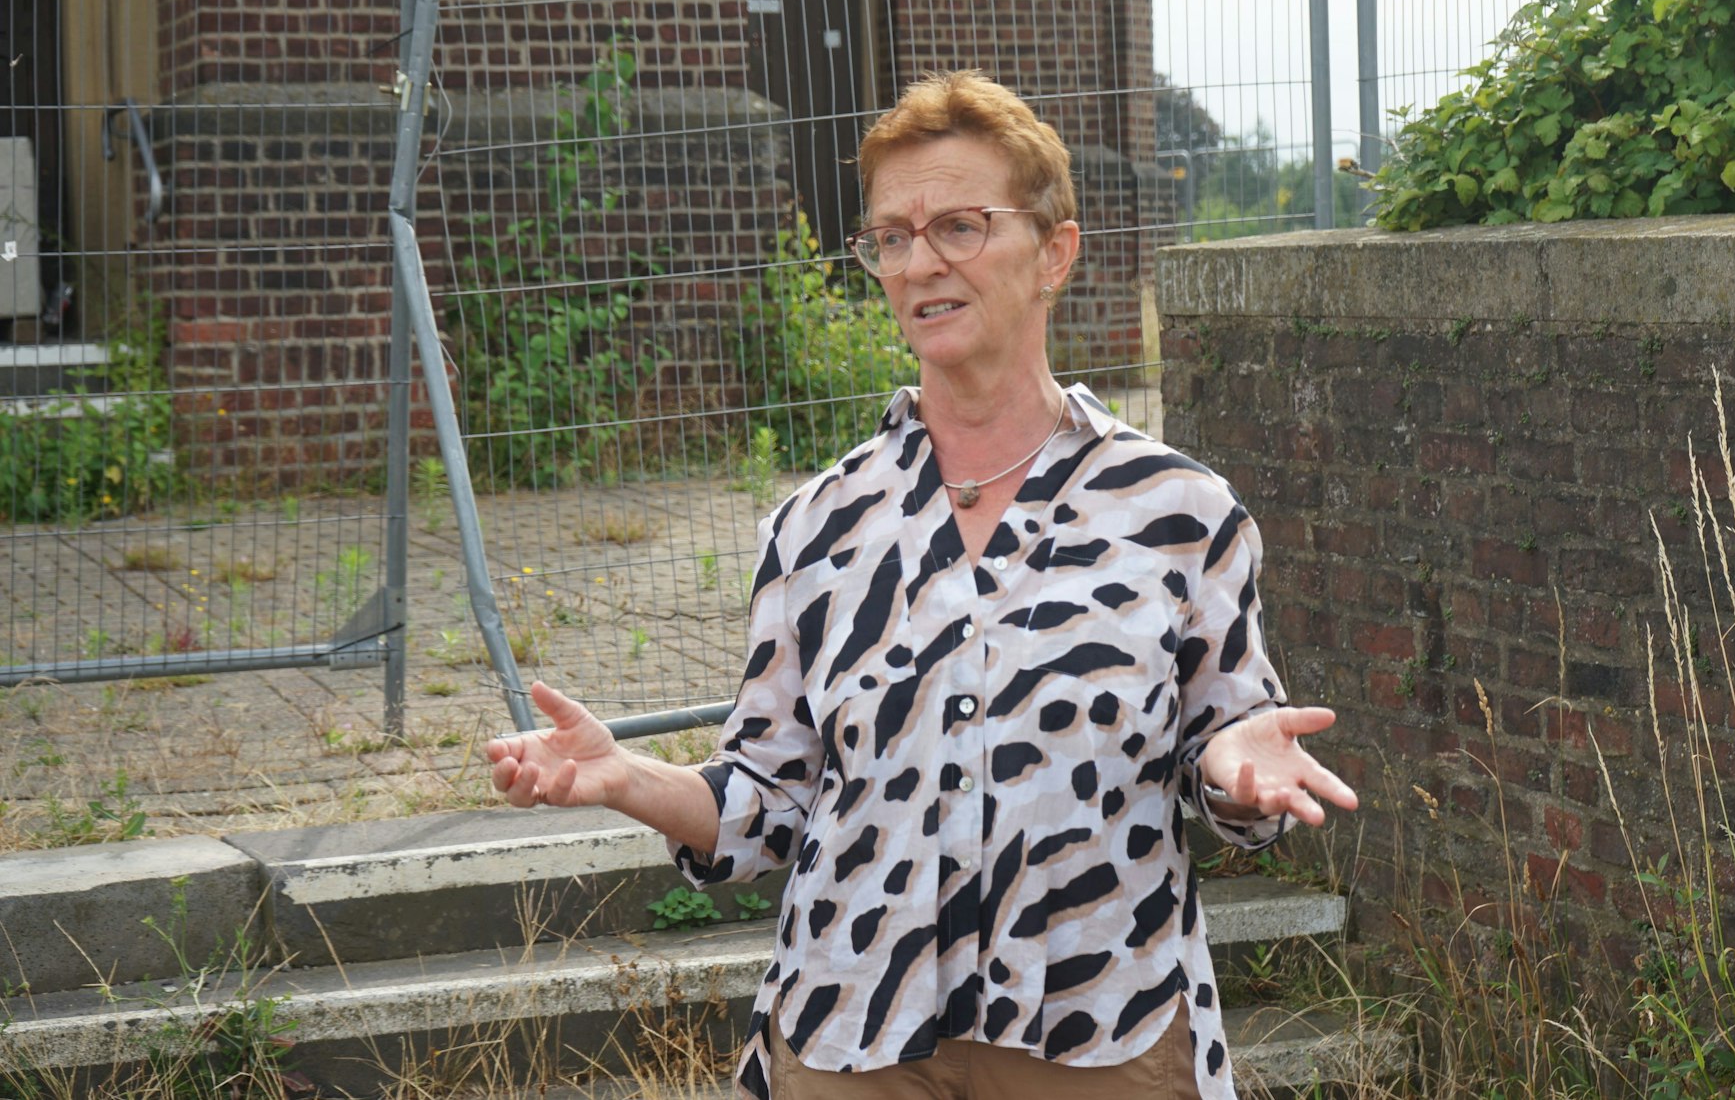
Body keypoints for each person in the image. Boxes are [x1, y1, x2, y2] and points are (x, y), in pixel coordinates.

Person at [485, 69, 1357, 1100]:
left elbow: (1239, 790)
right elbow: (764, 803)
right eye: (891, 237)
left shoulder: (1177, 511)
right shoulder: (818, 526)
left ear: (1054, 252)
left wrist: (1232, 758)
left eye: (957, 226)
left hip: (1099, 1031)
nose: (917, 262)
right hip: (853, 1033)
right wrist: (628, 780)